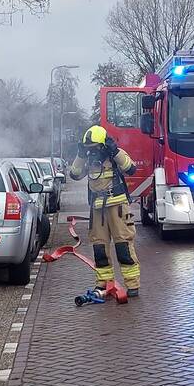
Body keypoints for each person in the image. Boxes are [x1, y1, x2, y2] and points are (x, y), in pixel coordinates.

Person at [69, 125, 142, 296]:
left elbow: (130, 168)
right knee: (99, 248)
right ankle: (103, 283)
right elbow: (75, 174)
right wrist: (80, 155)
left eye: (95, 148)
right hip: (97, 209)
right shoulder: (88, 159)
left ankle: (132, 285)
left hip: (118, 207)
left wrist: (115, 152)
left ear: (103, 144)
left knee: (123, 245)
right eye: (89, 149)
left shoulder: (115, 155)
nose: (93, 151)